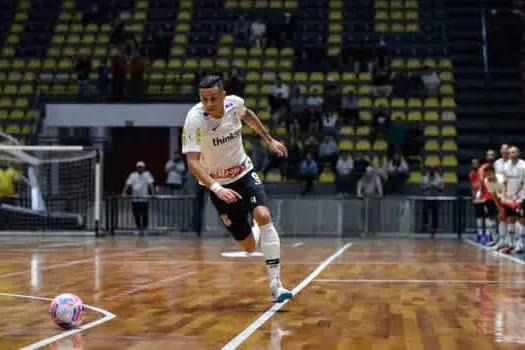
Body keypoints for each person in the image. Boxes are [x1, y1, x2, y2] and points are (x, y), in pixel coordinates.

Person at [182, 75, 293, 303]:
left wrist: (269, 140)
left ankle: (276, 284)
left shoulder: (235, 104)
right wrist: (216, 188)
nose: (209, 104)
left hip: (243, 172)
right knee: (249, 246)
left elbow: (249, 116)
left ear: (223, 96)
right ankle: (252, 229)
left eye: (213, 98)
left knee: (263, 215)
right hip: (217, 185)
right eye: (204, 99)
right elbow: (192, 162)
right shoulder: (194, 120)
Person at [496, 146, 525, 253]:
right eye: (510, 153)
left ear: (518, 153)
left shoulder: (523, 165)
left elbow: (523, 183)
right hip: (508, 197)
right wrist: (503, 197)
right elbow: (504, 183)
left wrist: (520, 196)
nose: (512, 154)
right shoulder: (505, 166)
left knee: (521, 220)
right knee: (510, 220)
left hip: (520, 197)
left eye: (514, 152)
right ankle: (511, 244)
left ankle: (520, 244)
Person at [122, 161, 155, 234]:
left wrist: (153, 193)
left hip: (144, 199)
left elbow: (151, 184)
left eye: (141, 167)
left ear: (144, 168)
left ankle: (145, 229)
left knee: (145, 215)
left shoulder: (147, 174)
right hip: (135, 199)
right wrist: (124, 192)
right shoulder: (133, 175)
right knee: (136, 215)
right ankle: (138, 228)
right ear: (137, 168)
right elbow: (128, 184)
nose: (140, 168)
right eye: (139, 167)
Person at [420, 166, 444, 238]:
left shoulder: (439, 178)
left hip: (435, 198)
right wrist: (427, 186)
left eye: (433, 170)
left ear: (435, 170)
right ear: (429, 170)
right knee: (425, 210)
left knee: (435, 214)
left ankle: (434, 231)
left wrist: (435, 187)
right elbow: (421, 187)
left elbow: (442, 188)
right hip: (427, 198)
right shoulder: (424, 178)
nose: (432, 171)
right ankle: (425, 224)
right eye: (431, 170)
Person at [469, 158, 487, 242]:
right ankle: (479, 234)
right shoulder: (471, 174)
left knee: (487, 217)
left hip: (485, 198)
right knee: (479, 217)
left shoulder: (484, 172)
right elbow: (472, 187)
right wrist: (474, 197)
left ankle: (487, 235)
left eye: (476, 163)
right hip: (477, 199)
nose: (475, 165)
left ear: (479, 164)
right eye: (473, 163)